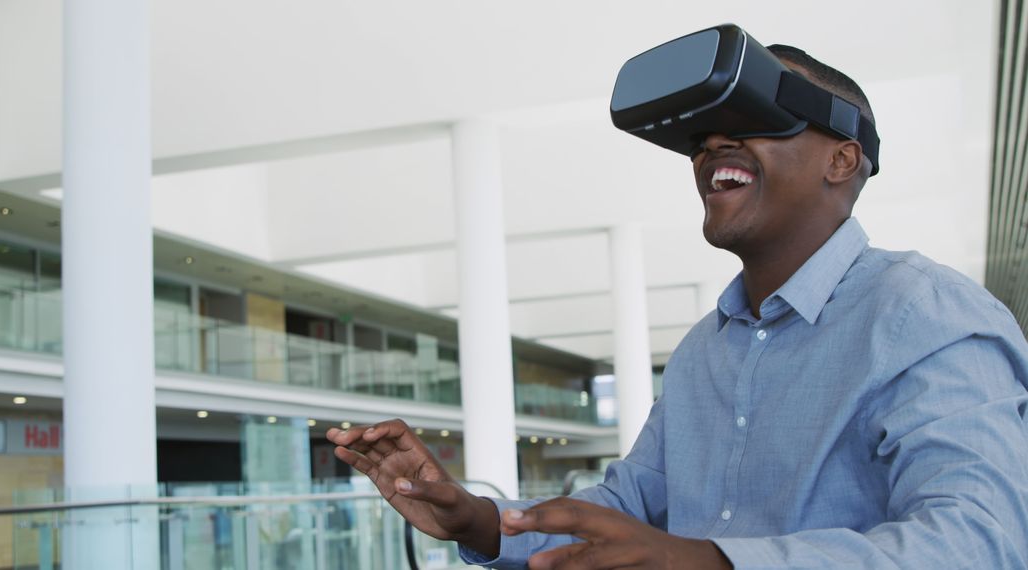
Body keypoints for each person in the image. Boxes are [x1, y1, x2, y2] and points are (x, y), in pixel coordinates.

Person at [327, 43, 1028, 569]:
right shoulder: (704, 351)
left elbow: (982, 541)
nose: (712, 147)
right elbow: (628, 508)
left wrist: (713, 561)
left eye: (751, 120)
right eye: (701, 138)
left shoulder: (926, 314)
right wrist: (478, 520)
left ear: (840, 161)